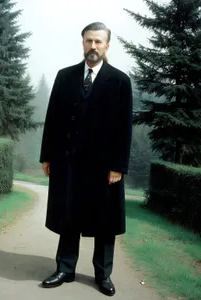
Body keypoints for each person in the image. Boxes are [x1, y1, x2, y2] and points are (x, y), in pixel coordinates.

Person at [39, 21, 132, 296]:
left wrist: (118, 165)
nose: (93, 46)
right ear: (82, 43)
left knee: (105, 223)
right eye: (89, 41)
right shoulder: (64, 76)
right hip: (68, 164)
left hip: (104, 169)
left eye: (98, 42)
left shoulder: (119, 81)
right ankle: (64, 269)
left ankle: (103, 275)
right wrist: (47, 157)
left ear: (107, 45)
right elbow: (52, 120)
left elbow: (124, 127)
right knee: (68, 218)